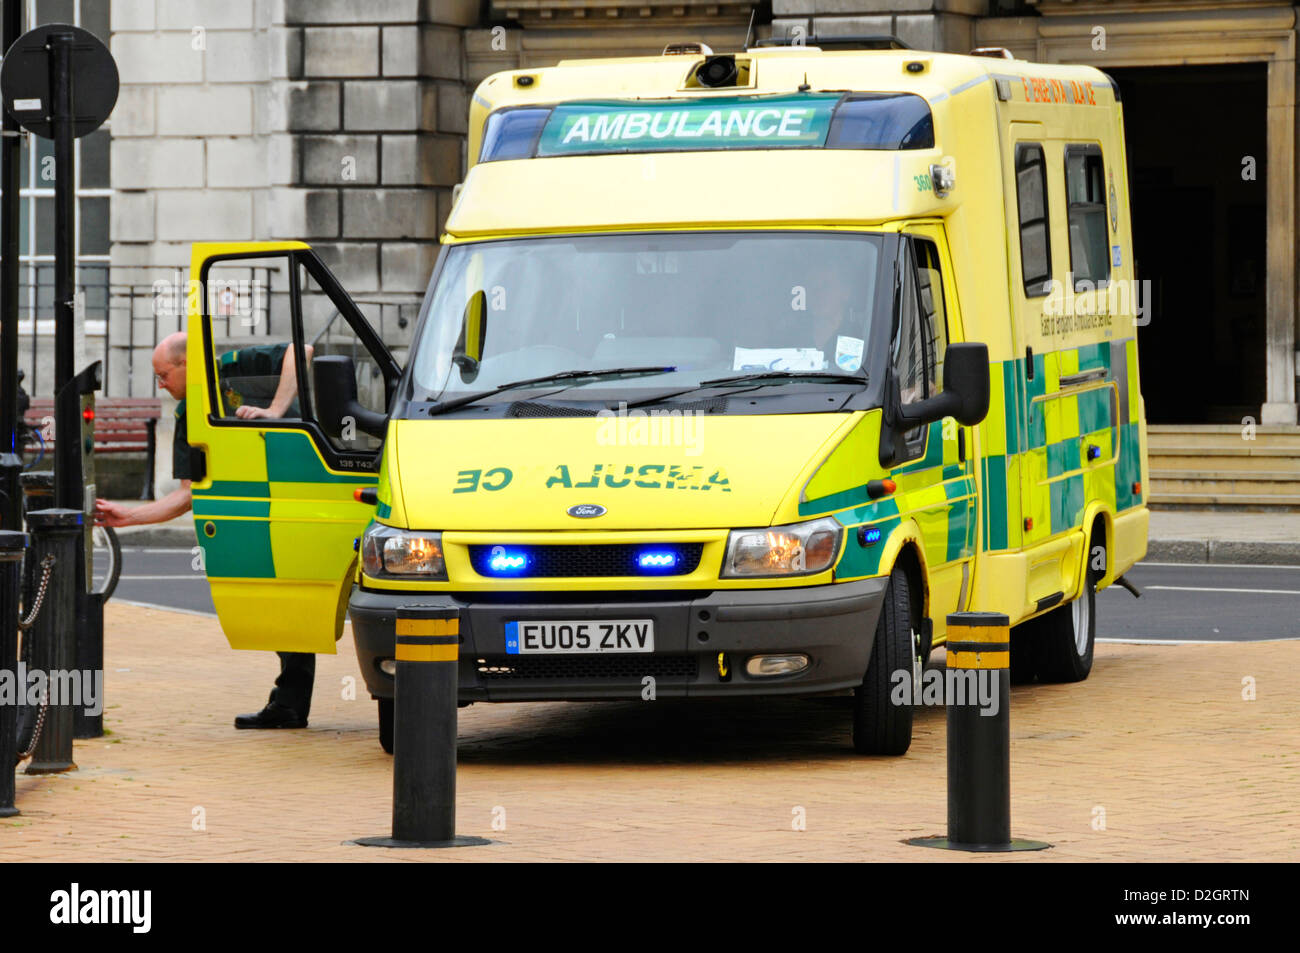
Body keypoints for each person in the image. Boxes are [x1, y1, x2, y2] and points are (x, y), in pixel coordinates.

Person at [95, 331, 318, 730]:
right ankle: (289, 702)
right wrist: (126, 517)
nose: (160, 384)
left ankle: (294, 700)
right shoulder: (187, 416)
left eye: (163, 375)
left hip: (306, 491)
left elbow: (301, 351)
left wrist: (275, 409)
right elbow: (187, 495)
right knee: (282, 604)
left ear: (186, 365)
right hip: (254, 509)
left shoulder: (231, 369)